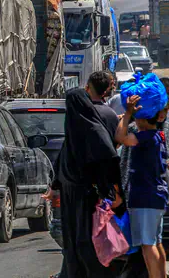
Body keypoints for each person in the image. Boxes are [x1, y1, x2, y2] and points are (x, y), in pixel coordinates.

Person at [57, 86, 122, 278]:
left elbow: (109, 160)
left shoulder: (94, 129)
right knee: (74, 243)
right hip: (72, 196)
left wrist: (113, 191)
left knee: (88, 242)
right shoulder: (73, 133)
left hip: (90, 197)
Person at [115, 79, 169, 278]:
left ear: (141, 117)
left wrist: (128, 114)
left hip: (145, 198)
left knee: (147, 246)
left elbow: (121, 138)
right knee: (156, 243)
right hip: (156, 197)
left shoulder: (146, 137)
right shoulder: (158, 136)